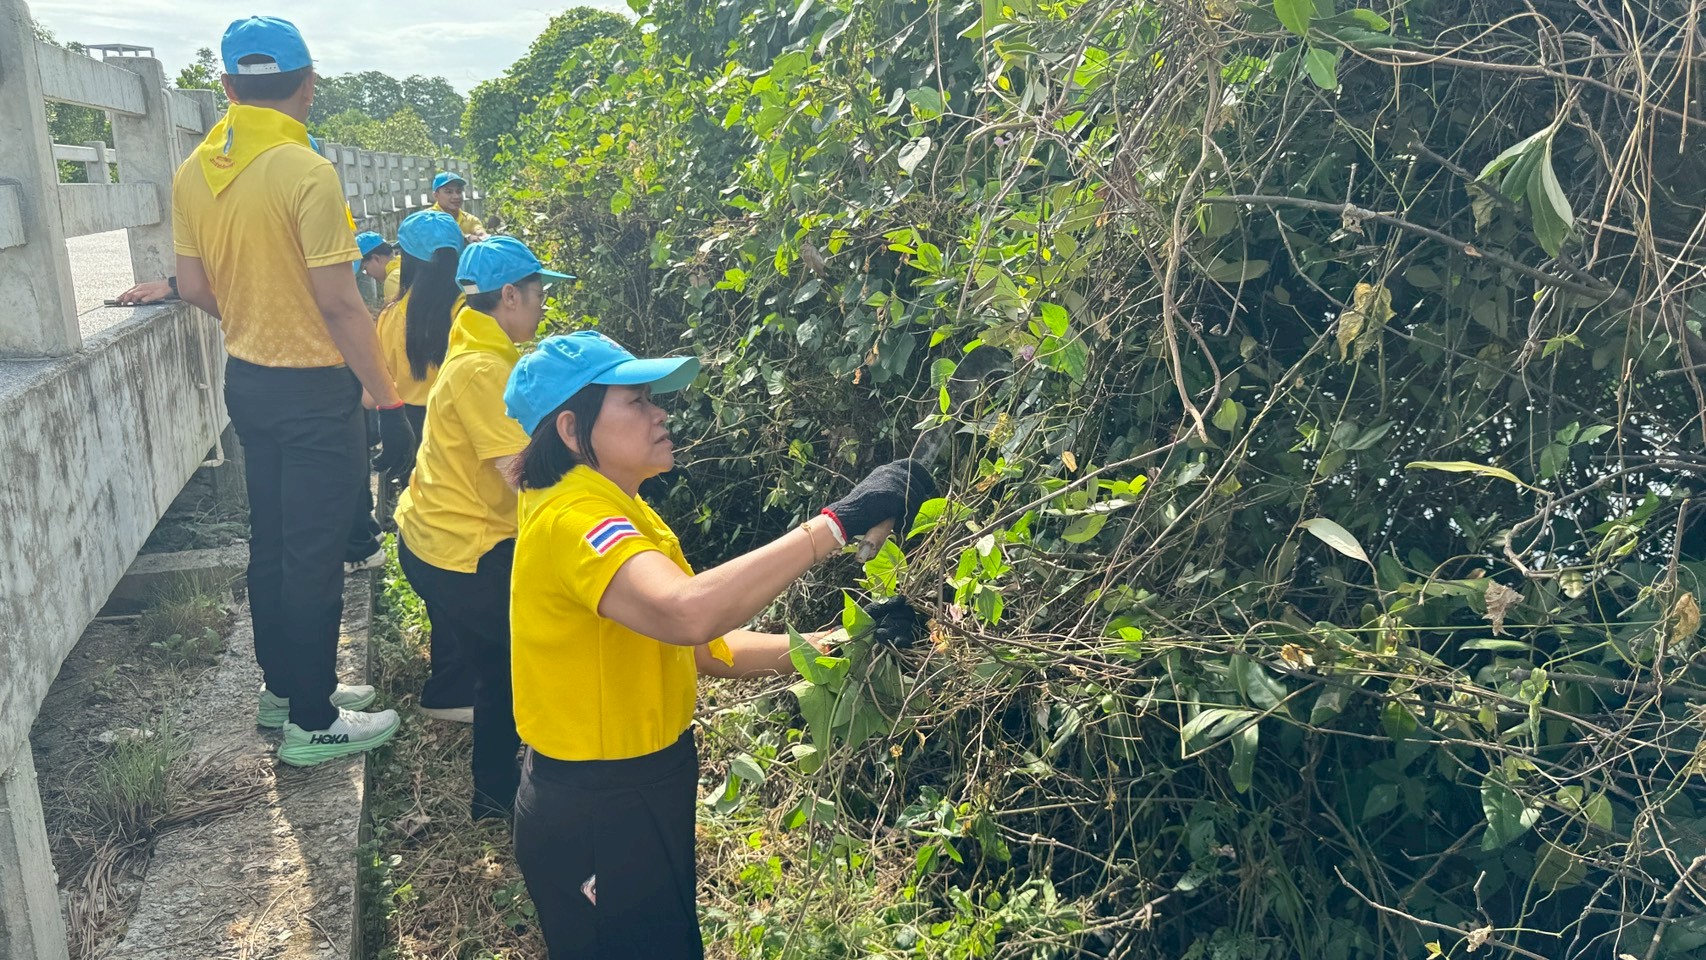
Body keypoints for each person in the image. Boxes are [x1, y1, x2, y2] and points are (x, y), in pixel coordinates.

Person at [503, 330, 935, 958]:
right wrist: (835, 524)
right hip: (599, 805)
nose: (660, 414)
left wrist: (839, 642)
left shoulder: (617, 508)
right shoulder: (576, 522)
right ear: (571, 430)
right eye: (637, 402)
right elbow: (688, 613)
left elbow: (702, 647)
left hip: (636, 787)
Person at [170, 15, 418, 767]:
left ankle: (284, 689)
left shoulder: (194, 171)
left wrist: (254, 318)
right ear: (308, 85)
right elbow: (341, 304)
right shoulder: (306, 172)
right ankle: (313, 720)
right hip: (315, 390)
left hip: (247, 380)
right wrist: (388, 400)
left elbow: (192, 286)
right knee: (313, 553)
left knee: (274, 541)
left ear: (226, 86)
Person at [393, 237, 571, 817]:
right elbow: (520, 475)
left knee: (499, 661)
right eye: (539, 293)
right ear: (510, 295)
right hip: (459, 550)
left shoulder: (477, 348)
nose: (543, 305)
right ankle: (498, 796)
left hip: (442, 535)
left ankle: (500, 789)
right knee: (512, 664)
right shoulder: (482, 370)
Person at [376, 211, 465, 438]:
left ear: (407, 260)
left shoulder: (390, 315)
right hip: (459, 424)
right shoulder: (470, 313)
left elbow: (380, 383)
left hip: (409, 426)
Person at [429, 171, 486, 239]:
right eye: (449, 192)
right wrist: (466, 238)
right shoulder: (427, 219)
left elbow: (481, 233)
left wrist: (482, 236)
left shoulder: (470, 220)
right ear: (436, 195)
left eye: (459, 191)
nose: (456, 196)